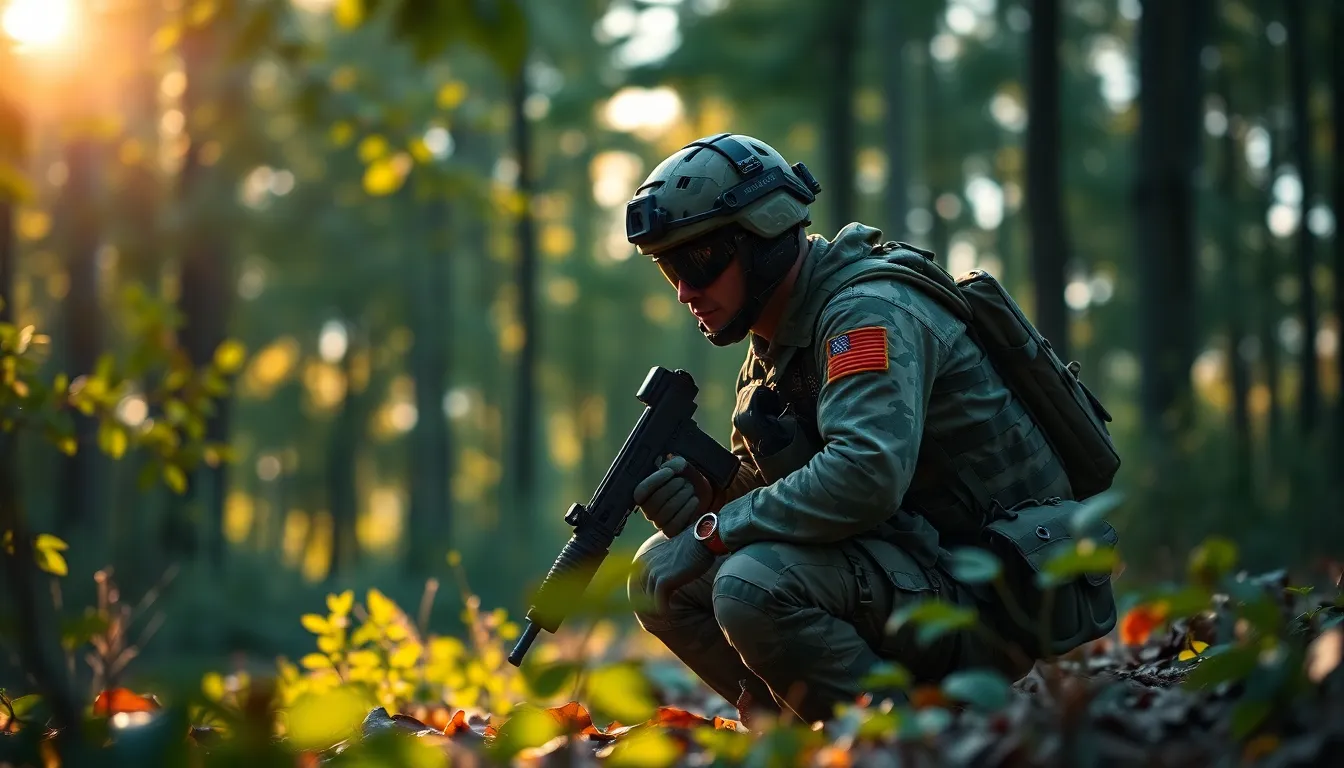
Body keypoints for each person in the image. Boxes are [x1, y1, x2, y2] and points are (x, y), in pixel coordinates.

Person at [622, 133, 1116, 726]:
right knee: (660, 577)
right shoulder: (775, 346)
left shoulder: (866, 314)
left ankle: (904, 744)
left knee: (749, 584)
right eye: (669, 267)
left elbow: (865, 476)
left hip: (991, 593)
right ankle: (797, 734)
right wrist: (712, 500)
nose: (684, 290)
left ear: (764, 235)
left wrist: (711, 529)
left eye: (698, 262)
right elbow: (785, 500)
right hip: (909, 565)